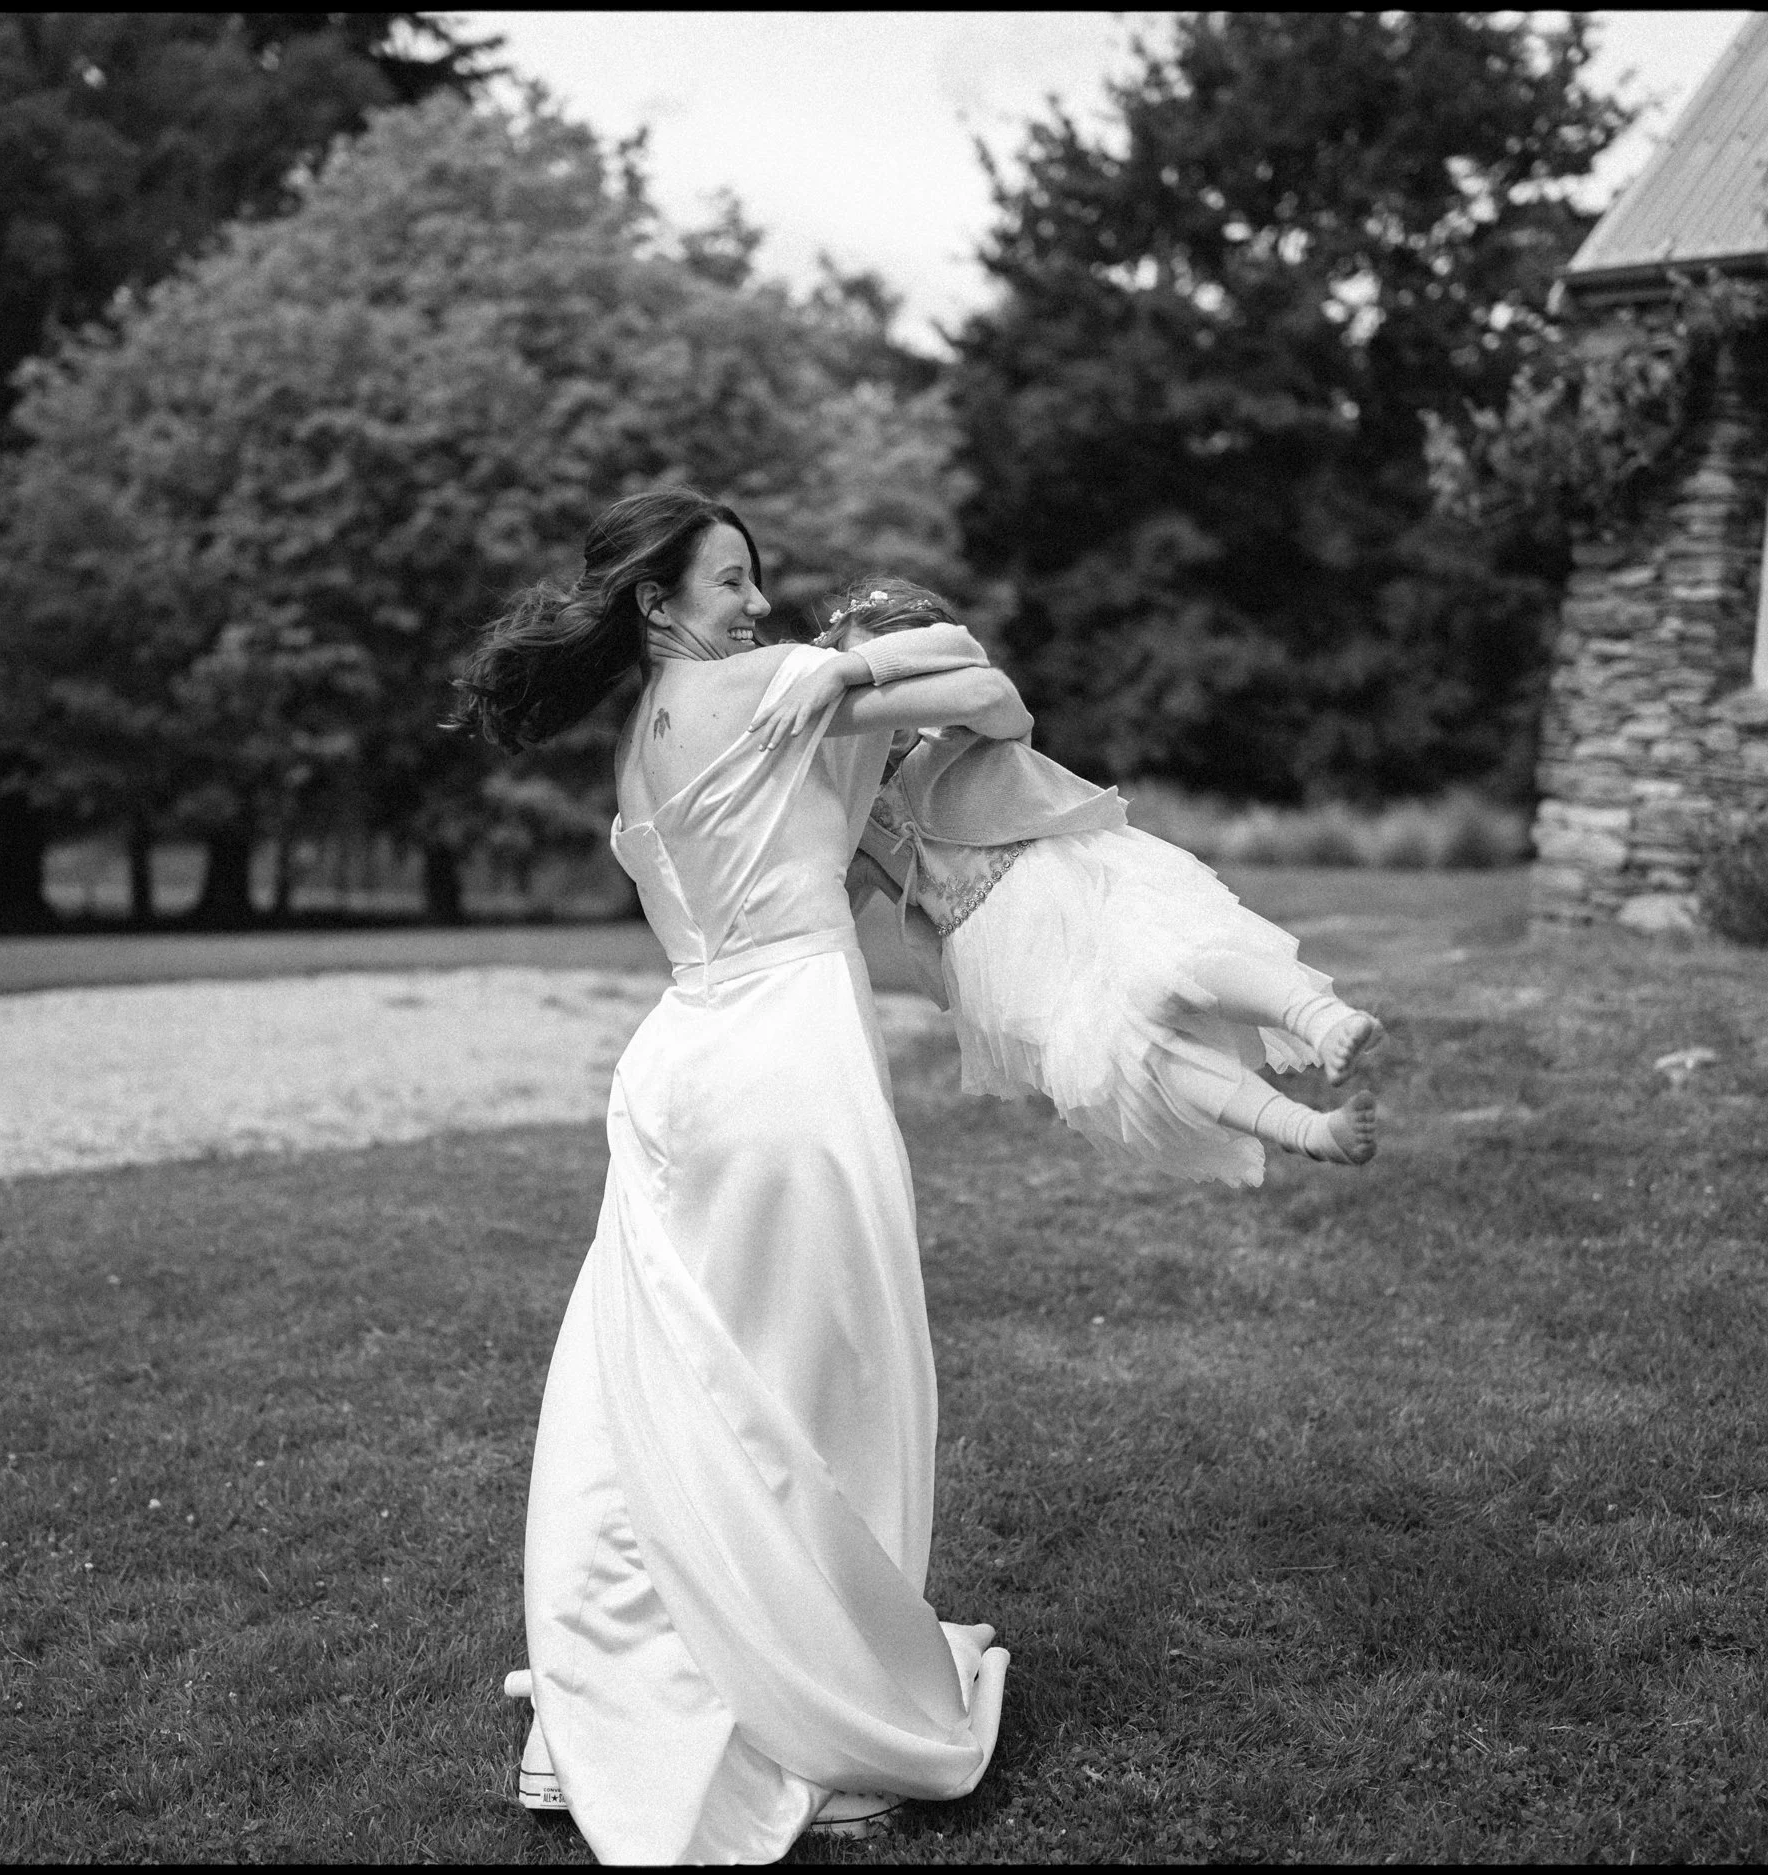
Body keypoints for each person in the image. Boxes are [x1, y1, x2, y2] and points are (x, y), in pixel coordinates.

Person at [446, 491, 1027, 1863]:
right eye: (730, 581)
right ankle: (820, 1720)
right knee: (817, 1384)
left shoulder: (644, 747)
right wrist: (855, 661)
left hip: (674, 1073)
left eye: (759, 584)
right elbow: (995, 694)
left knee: (673, 1393)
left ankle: (623, 1691)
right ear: (660, 606)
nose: (758, 604)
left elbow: (828, 838)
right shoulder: (777, 686)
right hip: (786, 1074)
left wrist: (842, 676)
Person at [746, 576, 1383, 1188]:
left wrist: (842, 678)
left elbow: (974, 679)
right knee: (1129, 1053)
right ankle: (1307, 1130)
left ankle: (1320, 1019)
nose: (880, 707)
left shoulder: (970, 721)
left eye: (893, 674)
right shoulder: (849, 805)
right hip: (998, 953)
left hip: (1063, 879)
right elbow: (829, 894)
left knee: (1176, 963)